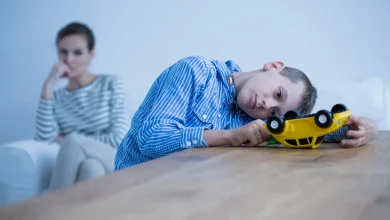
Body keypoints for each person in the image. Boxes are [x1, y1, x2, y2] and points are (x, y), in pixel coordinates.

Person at [114, 56, 378, 170]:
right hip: (131, 190)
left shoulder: (252, 122)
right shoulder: (196, 72)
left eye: (275, 111)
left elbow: (307, 130)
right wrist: (227, 136)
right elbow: (150, 138)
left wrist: (363, 127)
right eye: (278, 94)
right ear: (273, 65)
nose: (266, 107)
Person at [34, 22, 129, 190]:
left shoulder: (111, 84)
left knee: (73, 141)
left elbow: (119, 138)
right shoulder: (56, 97)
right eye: (63, 52)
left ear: (90, 55)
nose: (69, 60)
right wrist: (47, 85)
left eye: (77, 52)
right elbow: (44, 141)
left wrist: (71, 141)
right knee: (91, 167)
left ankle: (49, 208)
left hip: (116, 158)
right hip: (90, 164)